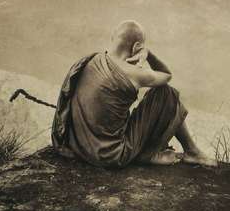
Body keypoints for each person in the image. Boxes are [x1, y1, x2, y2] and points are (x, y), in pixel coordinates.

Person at [52, 20, 217, 169]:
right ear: (136, 46)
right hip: (111, 155)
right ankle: (190, 151)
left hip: (79, 148)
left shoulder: (91, 61)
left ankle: (155, 153)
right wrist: (148, 53)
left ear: (113, 38)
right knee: (167, 93)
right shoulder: (133, 72)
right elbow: (166, 75)